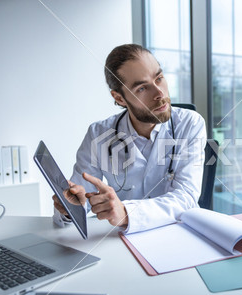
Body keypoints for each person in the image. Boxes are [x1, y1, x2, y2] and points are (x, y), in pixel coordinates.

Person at [53, 44, 206, 234]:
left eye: (159, 78)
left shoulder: (189, 123)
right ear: (120, 98)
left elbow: (186, 197)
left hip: (180, 235)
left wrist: (126, 213)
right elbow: (80, 199)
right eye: (142, 88)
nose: (159, 93)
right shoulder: (99, 134)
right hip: (123, 240)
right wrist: (69, 208)